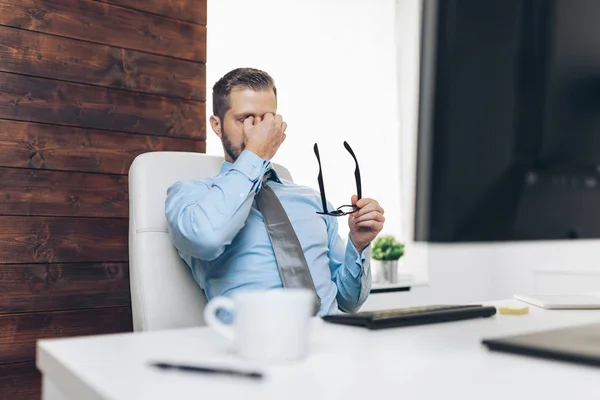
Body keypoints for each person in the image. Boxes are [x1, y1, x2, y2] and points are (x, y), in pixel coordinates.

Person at [165, 67, 385, 315]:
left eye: (266, 120)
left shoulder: (312, 200)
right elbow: (206, 239)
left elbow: (348, 301)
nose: (258, 131)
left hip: (333, 341)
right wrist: (256, 154)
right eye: (244, 119)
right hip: (257, 345)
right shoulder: (191, 196)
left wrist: (358, 245)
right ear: (217, 125)